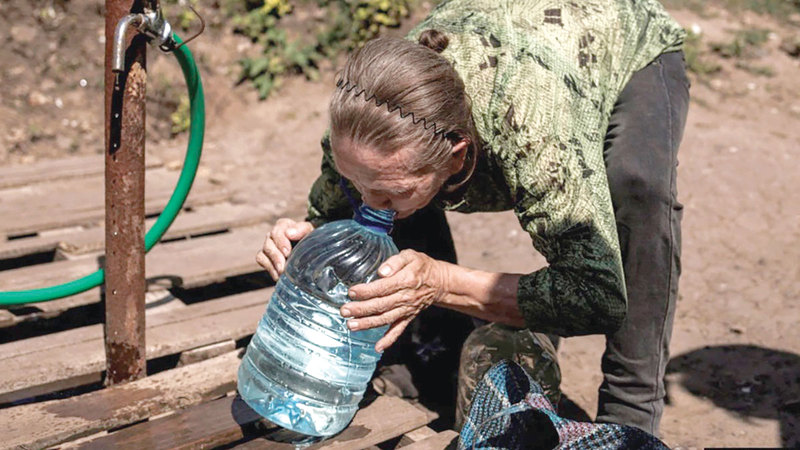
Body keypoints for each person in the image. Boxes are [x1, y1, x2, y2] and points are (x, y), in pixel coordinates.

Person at [257, 0, 689, 437]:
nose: (369, 202)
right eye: (355, 177)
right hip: (500, 38)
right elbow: (334, 208)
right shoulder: (368, 113)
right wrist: (305, 236)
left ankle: (631, 411)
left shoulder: (530, 130)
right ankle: (435, 354)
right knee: (383, 191)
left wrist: (442, 282)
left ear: (457, 155)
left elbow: (596, 296)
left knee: (639, 189)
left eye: (391, 190)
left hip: (615, 37)